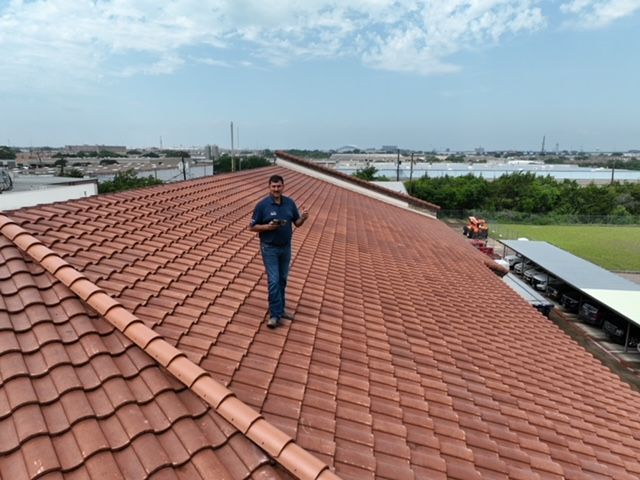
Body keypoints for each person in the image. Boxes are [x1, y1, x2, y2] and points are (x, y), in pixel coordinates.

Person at [250, 174, 309, 328]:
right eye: (273, 186)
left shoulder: (289, 203)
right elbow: (252, 227)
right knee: (274, 281)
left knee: (282, 280)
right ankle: (275, 316)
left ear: (283, 186)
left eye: (279, 186)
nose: (276, 189)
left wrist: (303, 218)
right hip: (269, 248)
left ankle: (280, 309)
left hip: (286, 247)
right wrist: (268, 227)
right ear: (269, 187)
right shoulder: (262, 205)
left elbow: (297, 223)